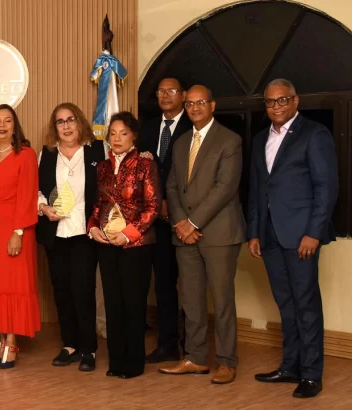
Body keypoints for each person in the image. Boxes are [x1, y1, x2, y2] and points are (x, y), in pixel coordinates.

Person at [248, 79, 338, 398]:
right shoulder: (261, 139)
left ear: (296, 101)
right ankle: (290, 366)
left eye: (283, 100)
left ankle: (312, 374)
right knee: (285, 304)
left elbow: (326, 188)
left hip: (302, 235)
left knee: (306, 304)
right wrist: (254, 232)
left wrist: (314, 232)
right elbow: (258, 190)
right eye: (271, 102)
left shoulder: (314, 134)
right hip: (270, 235)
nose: (276, 106)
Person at [159, 85, 246, 384]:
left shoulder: (230, 140)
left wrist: (193, 222)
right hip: (184, 234)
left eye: (201, 103)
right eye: (190, 103)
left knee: (222, 301)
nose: (195, 108)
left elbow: (225, 188)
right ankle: (194, 357)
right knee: (191, 300)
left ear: (213, 105)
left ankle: (226, 361)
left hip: (220, 233)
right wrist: (182, 222)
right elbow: (171, 185)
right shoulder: (181, 141)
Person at [88, 111, 160, 379]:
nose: (117, 139)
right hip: (106, 243)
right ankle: (116, 361)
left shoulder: (145, 164)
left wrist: (128, 234)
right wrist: (92, 227)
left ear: (134, 137)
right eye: (113, 133)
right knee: (113, 303)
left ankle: (133, 363)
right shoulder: (103, 168)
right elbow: (98, 204)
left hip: (136, 246)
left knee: (133, 303)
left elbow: (152, 208)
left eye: (124, 133)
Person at [36, 102, 106, 372]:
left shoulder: (98, 150)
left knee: (84, 291)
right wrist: (43, 208)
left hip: (85, 233)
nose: (66, 126)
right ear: (55, 127)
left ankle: (88, 348)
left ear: (80, 123)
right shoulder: (47, 154)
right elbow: (37, 190)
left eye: (70, 120)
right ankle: (70, 345)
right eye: (60, 122)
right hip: (56, 233)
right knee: (62, 290)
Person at [0, 104, 40, 369]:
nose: (2, 125)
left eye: (7, 121)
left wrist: (18, 232)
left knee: (12, 286)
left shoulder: (25, 154)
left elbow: (28, 195)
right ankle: (1, 341)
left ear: (15, 125)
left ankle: (12, 342)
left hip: (13, 228)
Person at [138, 77, 192, 363]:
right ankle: (168, 344)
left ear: (183, 95)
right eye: (161, 91)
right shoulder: (147, 128)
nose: (166, 95)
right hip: (154, 220)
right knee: (163, 284)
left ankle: (193, 346)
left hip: (188, 218)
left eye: (172, 90)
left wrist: (173, 203)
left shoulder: (193, 125)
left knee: (192, 286)